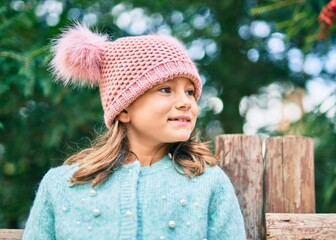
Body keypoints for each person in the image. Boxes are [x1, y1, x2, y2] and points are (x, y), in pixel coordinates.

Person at [22, 23, 246, 240]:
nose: (186, 102)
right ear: (124, 108)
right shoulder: (62, 185)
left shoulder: (209, 183)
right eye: (166, 89)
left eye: (189, 91)